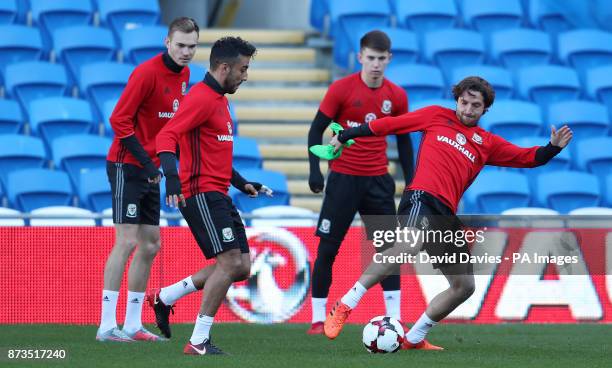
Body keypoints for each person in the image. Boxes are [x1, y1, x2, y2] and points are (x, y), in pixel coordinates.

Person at [323, 76, 573, 349]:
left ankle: (415, 338)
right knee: (408, 245)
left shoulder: (486, 143)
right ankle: (347, 303)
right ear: (456, 100)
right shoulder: (435, 116)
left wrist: (552, 149)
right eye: (463, 102)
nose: (467, 109)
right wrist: (347, 134)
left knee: (464, 286)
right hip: (421, 198)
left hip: (446, 215)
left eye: (474, 105)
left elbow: (526, 157)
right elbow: (388, 125)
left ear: (484, 109)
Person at [151, 36, 261, 355]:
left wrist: (241, 183)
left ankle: (166, 297)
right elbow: (166, 136)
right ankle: (198, 340)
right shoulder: (200, 98)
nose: (245, 75)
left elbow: (217, 151)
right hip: (200, 192)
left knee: (240, 266)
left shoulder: (220, 99)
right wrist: (172, 178)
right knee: (228, 262)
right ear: (223, 67)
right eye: (242, 69)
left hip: (219, 192)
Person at [96, 17, 199, 342]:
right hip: (127, 166)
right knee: (125, 241)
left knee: (151, 244)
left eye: (192, 47)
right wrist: (147, 163)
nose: (186, 52)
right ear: (167, 42)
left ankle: (132, 324)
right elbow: (119, 120)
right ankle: (106, 326)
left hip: (153, 169)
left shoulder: (185, 75)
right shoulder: (145, 73)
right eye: (181, 45)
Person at [306, 30, 414, 335]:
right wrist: (315, 170)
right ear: (360, 58)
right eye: (371, 58)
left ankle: (394, 318)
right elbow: (316, 131)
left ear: (389, 59)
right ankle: (317, 320)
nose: (376, 64)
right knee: (328, 248)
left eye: (381, 59)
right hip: (342, 180)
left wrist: (413, 182)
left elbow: (404, 144)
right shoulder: (341, 89)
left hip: (378, 182)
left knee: (388, 250)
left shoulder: (397, 96)